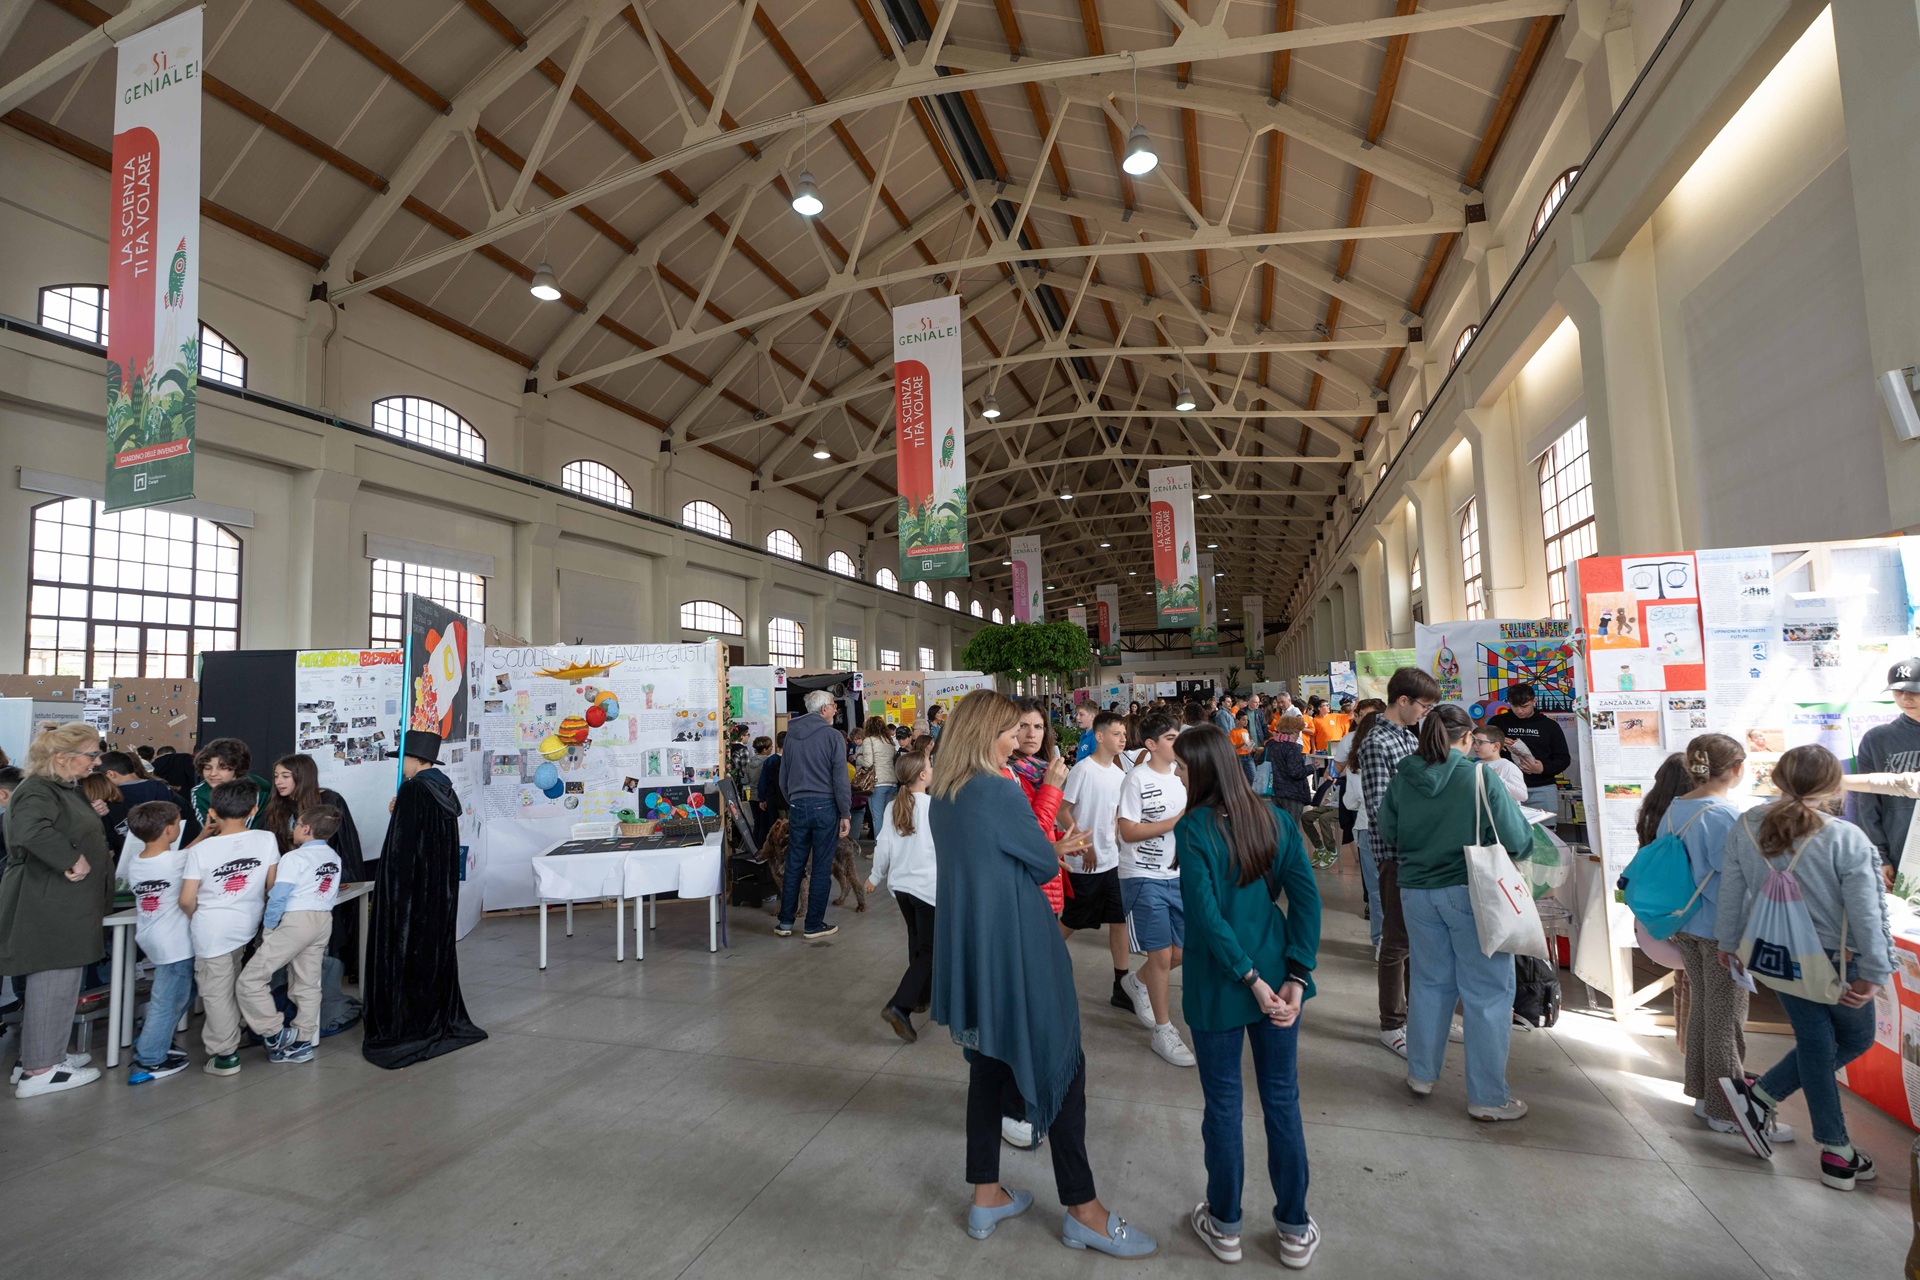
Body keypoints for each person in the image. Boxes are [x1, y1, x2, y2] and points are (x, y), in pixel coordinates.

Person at [926, 690, 1154, 1258]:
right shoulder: (996, 790)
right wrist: (1051, 842)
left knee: (987, 1068)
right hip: (1019, 945)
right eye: (1009, 731)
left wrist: (1045, 843)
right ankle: (1084, 1209)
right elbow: (1041, 862)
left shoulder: (942, 796)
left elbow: (1007, 856)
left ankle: (986, 1193)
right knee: (1063, 1065)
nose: (1017, 740)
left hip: (975, 951)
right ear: (984, 732)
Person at [1174, 725, 1323, 1270]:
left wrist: (1249, 979)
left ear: (1205, 771)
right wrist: (1295, 976)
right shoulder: (1276, 819)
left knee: (1224, 1106)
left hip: (1221, 987)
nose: (1179, 776)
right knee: (1282, 1101)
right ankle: (1293, 1228)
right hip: (1280, 982)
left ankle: (1226, 1223)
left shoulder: (1193, 829)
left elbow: (1205, 916)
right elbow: (1307, 902)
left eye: (1185, 769)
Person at [1716, 745, 1896, 1190]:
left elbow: (1733, 888)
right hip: (1838, 959)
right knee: (1847, 1039)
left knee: (1822, 1042)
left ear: (1776, 779)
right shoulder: (1846, 838)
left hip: (1775, 953)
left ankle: (1759, 1096)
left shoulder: (1748, 824)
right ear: (1835, 787)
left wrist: (1728, 943)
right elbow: (1867, 911)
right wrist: (1874, 970)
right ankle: (1836, 1151)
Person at [1377, 703, 1535, 1120]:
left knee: (1430, 983)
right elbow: (1517, 841)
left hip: (1415, 891)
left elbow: (1388, 831)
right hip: (1471, 894)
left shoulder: (1403, 776)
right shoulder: (1481, 777)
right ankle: (1487, 1097)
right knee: (1486, 993)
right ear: (1467, 738)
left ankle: (1421, 1074)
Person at [1630, 735, 1789, 1139]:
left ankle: (1703, 1096)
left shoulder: (1677, 807)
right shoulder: (1722, 816)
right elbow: (1743, 877)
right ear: (1736, 768)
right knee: (1726, 1020)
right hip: (1722, 931)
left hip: (1687, 925)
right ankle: (1727, 1110)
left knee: (1705, 1009)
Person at [363, 730, 487, 1069]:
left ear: (418, 760)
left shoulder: (416, 789)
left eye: (403, 758)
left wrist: (393, 897)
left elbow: (403, 851)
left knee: (410, 955)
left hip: (413, 895)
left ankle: (408, 1023)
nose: (400, 765)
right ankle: (432, 1016)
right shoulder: (440, 787)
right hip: (437, 894)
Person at [0, 724, 111, 1098]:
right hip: (51, 898)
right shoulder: (38, 789)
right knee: (53, 977)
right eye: (91, 754)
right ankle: (40, 1069)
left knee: (60, 979)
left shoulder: (60, 789)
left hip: (62, 898)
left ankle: (45, 1055)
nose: (96, 762)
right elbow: (28, 830)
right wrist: (71, 859)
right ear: (63, 757)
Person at [1356, 667, 1440, 1058]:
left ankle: (1419, 1014)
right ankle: (1392, 1023)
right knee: (1396, 943)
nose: (1426, 713)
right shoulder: (1377, 743)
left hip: (1421, 853)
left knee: (1420, 943)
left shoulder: (1408, 737)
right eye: (1424, 705)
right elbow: (1378, 810)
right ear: (1402, 701)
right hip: (1396, 856)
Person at [180, 779, 280, 1077]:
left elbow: (186, 900)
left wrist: (197, 914)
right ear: (252, 809)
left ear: (212, 812)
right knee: (236, 979)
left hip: (211, 931)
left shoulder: (202, 851)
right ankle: (252, 1031)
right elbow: (271, 887)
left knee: (217, 992)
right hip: (247, 925)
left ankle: (225, 1055)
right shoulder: (267, 839)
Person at [237, 804, 344, 1065]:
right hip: (322, 920)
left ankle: (274, 1033)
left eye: (296, 824)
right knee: (307, 982)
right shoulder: (333, 857)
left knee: (250, 980)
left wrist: (269, 928)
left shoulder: (293, 858)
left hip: (296, 921)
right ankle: (303, 1041)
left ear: (306, 829)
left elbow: (279, 895)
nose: (293, 828)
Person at [1116, 710, 1194, 1067]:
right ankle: (1163, 1030)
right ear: (1151, 745)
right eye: (1170, 739)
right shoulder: (1136, 779)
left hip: (1178, 876)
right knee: (1161, 956)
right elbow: (1128, 832)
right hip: (1142, 875)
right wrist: (1174, 822)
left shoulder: (1183, 778)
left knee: (1181, 952)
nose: (1177, 743)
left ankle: (1136, 983)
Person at [260, 753, 367, 978]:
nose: (278, 781)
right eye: (276, 776)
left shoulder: (329, 801)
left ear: (302, 777)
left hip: (320, 890)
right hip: (287, 887)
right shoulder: (277, 806)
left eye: (285, 776)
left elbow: (346, 847)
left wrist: (341, 879)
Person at [1059, 712, 1133, 1015]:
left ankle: (1121, 985)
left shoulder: (1119, 774)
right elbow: (1063, 811)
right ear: (1100, 736)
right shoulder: (1082, 770)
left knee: (1119, 921)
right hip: (1084, 862)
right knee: (1073, 920)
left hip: (1111, 861)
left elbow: (1114, 815)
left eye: (1124, 734)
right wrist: (1082, 843)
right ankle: (1038, 957)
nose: (1123, 739)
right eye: (1117, 734)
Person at [124, 799, 194, 1084]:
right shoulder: (179, 861)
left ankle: (154, 1041)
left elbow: (176, 860)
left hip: (152, 938)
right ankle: (149, 1059)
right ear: (169, 830)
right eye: (178, 823)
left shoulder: (136, 862)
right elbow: (190, 863)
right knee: (167, 1001)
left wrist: (200, 837)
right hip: (176, 944)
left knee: (177, 996)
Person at [775, 690, 852, 941]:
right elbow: (840, 779)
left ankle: (785, 922)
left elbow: (783, 778)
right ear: (823, 710)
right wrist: (845, 812)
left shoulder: (791, 737)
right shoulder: (832, 737)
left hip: (797, 806)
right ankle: (813, 924)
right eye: (833, 705)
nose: (835, 710)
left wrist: (795, 801)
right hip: (825, 807)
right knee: (820, 866)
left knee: (794, 864)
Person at [868, 751, 934, 1043]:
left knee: (917, 941)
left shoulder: (894, 806)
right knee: (931, 951)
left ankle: (920, 998)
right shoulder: (934, 807)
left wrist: (874, 876)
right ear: (922, 775)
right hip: (928, 889)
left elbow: (883, 846)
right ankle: (900, 1005)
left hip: (902, 888)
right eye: (930, 765)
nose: (932, 769)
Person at [1852, 658, 1920, 877]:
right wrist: (1879, 856)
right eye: (1898, 691)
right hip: (1901, 854)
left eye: (1914, 691)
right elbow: (1867, 804)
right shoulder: (1877, 739)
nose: (1905, 698)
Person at [1008, 698, 1070, 918]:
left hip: (1045, 876)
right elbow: (1030, 833)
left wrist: (1065, 839)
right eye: (1023, 726)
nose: (1031, 734)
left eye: (1038, 727)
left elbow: (1043, 826)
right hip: (1027, 883)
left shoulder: (1040, 770)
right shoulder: (1009, 774)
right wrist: (1051, 788)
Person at [1486, 684, 1571, 813]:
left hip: (1542, 788)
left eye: (1524, 706)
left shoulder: (1549, 726)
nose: (1519, 711)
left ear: (1534, 701)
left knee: (1545, 832)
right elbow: (1480, 748)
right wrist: (1495, 744)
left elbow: (1563, 759)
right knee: (1509, 831)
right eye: (1515, 706)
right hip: (1506, 787)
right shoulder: (1497, 723)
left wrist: (1543, 768)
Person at [1344, 711, 1384, 956]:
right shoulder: (1402, 752)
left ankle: (1380, 941)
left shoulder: (1356, 761)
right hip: (1397, 828)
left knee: (1376, 889)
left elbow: (1351, 800)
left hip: (1366, 826)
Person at [188, 738, 271, 840]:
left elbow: (245, 831)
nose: (213, 774)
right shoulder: (199, 792)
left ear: (237, 767)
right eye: (207, 768)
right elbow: (210, 831)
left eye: (222, 768)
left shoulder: (257, 788)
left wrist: (223, 826)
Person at [857, 715, 898, 842]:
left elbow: (868, 762)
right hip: (892, 782)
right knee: (888, 817)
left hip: (878, 782)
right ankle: (890, 849)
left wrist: (858, 757)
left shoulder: (869, 740)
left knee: (877, 817)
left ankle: (879, 850)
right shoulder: (889, 742)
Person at [1266, 714, 1313, 822]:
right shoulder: (1292, 748)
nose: (1298, 736)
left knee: (1279, 826)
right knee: (1292, 828)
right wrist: (1312, 767)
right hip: (1292, 794)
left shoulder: (1271, 744)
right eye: (1298, 732)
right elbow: (1295, 773)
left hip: (1274, 791)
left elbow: (1261, 761)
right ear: (1292, 731)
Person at [1470, 727, 1529, 803]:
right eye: (1473, 742)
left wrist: (1497, 779)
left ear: (1496, 746)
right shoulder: (1476, 764)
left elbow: (1523, 795)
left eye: (1479, 742)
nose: (1474, 746)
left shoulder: (1507, 766)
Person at [754, 731, 785, 849]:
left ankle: (773, 851)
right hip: (790, 799)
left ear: (777, 745)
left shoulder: (769, 761)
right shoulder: (793, 760)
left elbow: (763, 781)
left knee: (774, 826)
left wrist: (762, 798)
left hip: (772, 798)